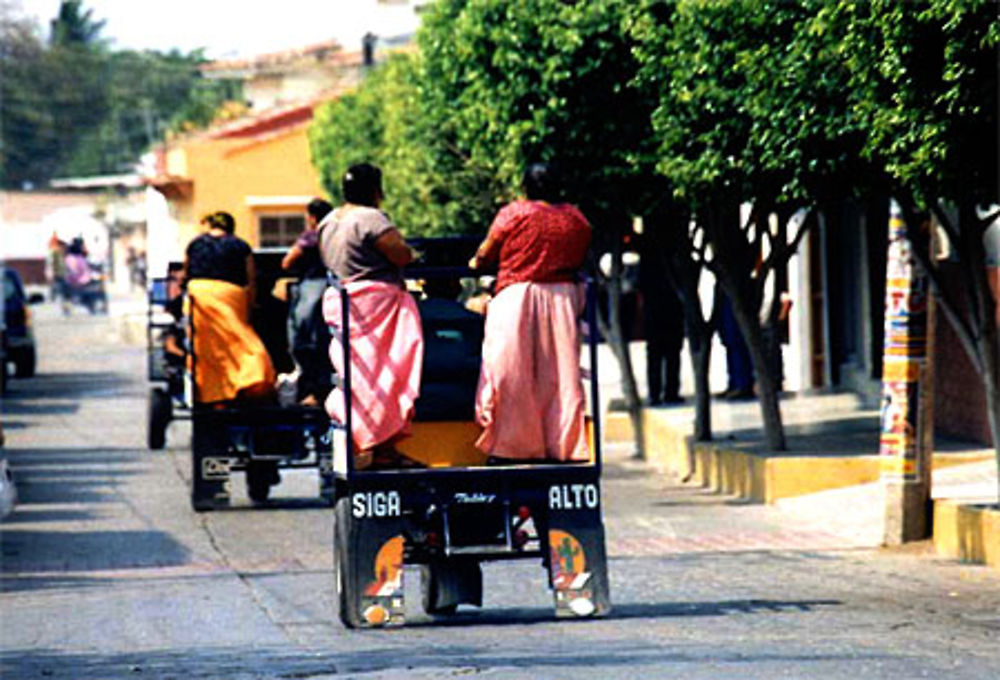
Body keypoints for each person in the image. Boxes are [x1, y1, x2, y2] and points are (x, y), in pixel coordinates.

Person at [468, 162, 592, 463]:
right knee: (560, 375)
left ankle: (512, 447)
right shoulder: (576, 219)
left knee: (511, 373)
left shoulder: (515, 213)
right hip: (562, 299)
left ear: (526, 187)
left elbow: (486, 253)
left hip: (518, 297)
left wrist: (475, 264)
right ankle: (563, 446)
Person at [318, 163, 424, 469]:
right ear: (375, 190)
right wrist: (414, 255)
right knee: (387, 376)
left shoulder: (328, 221)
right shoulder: (370, 218)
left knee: (356, 377)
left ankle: (362, 439)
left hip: (343, 301)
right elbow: (400, 255)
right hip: (377, 306)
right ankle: (382, 446)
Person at [183, 211, 276, 404]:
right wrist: (251, 306)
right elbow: (251, 280)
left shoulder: (195, 245)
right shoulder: (240, 246)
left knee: (205, 348)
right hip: (229, 297)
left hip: (198, 296)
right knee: (247, 347)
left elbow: (186, 274)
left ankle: (210, 394)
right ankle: (250, 382)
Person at [282, 198, 334, 406]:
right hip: (333, 289)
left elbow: (288, 261)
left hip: (312, 289)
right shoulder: (334, 235)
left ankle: (312, 391)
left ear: (312, 217)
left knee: (304, 340)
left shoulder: (312, 236)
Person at [638, 232, 684, 405]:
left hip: (655, 305)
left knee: (656, 352)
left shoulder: (649, 254)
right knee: (671, 351)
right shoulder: (674, 254)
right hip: (670, 304)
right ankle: (670, 391)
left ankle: (656, 392)